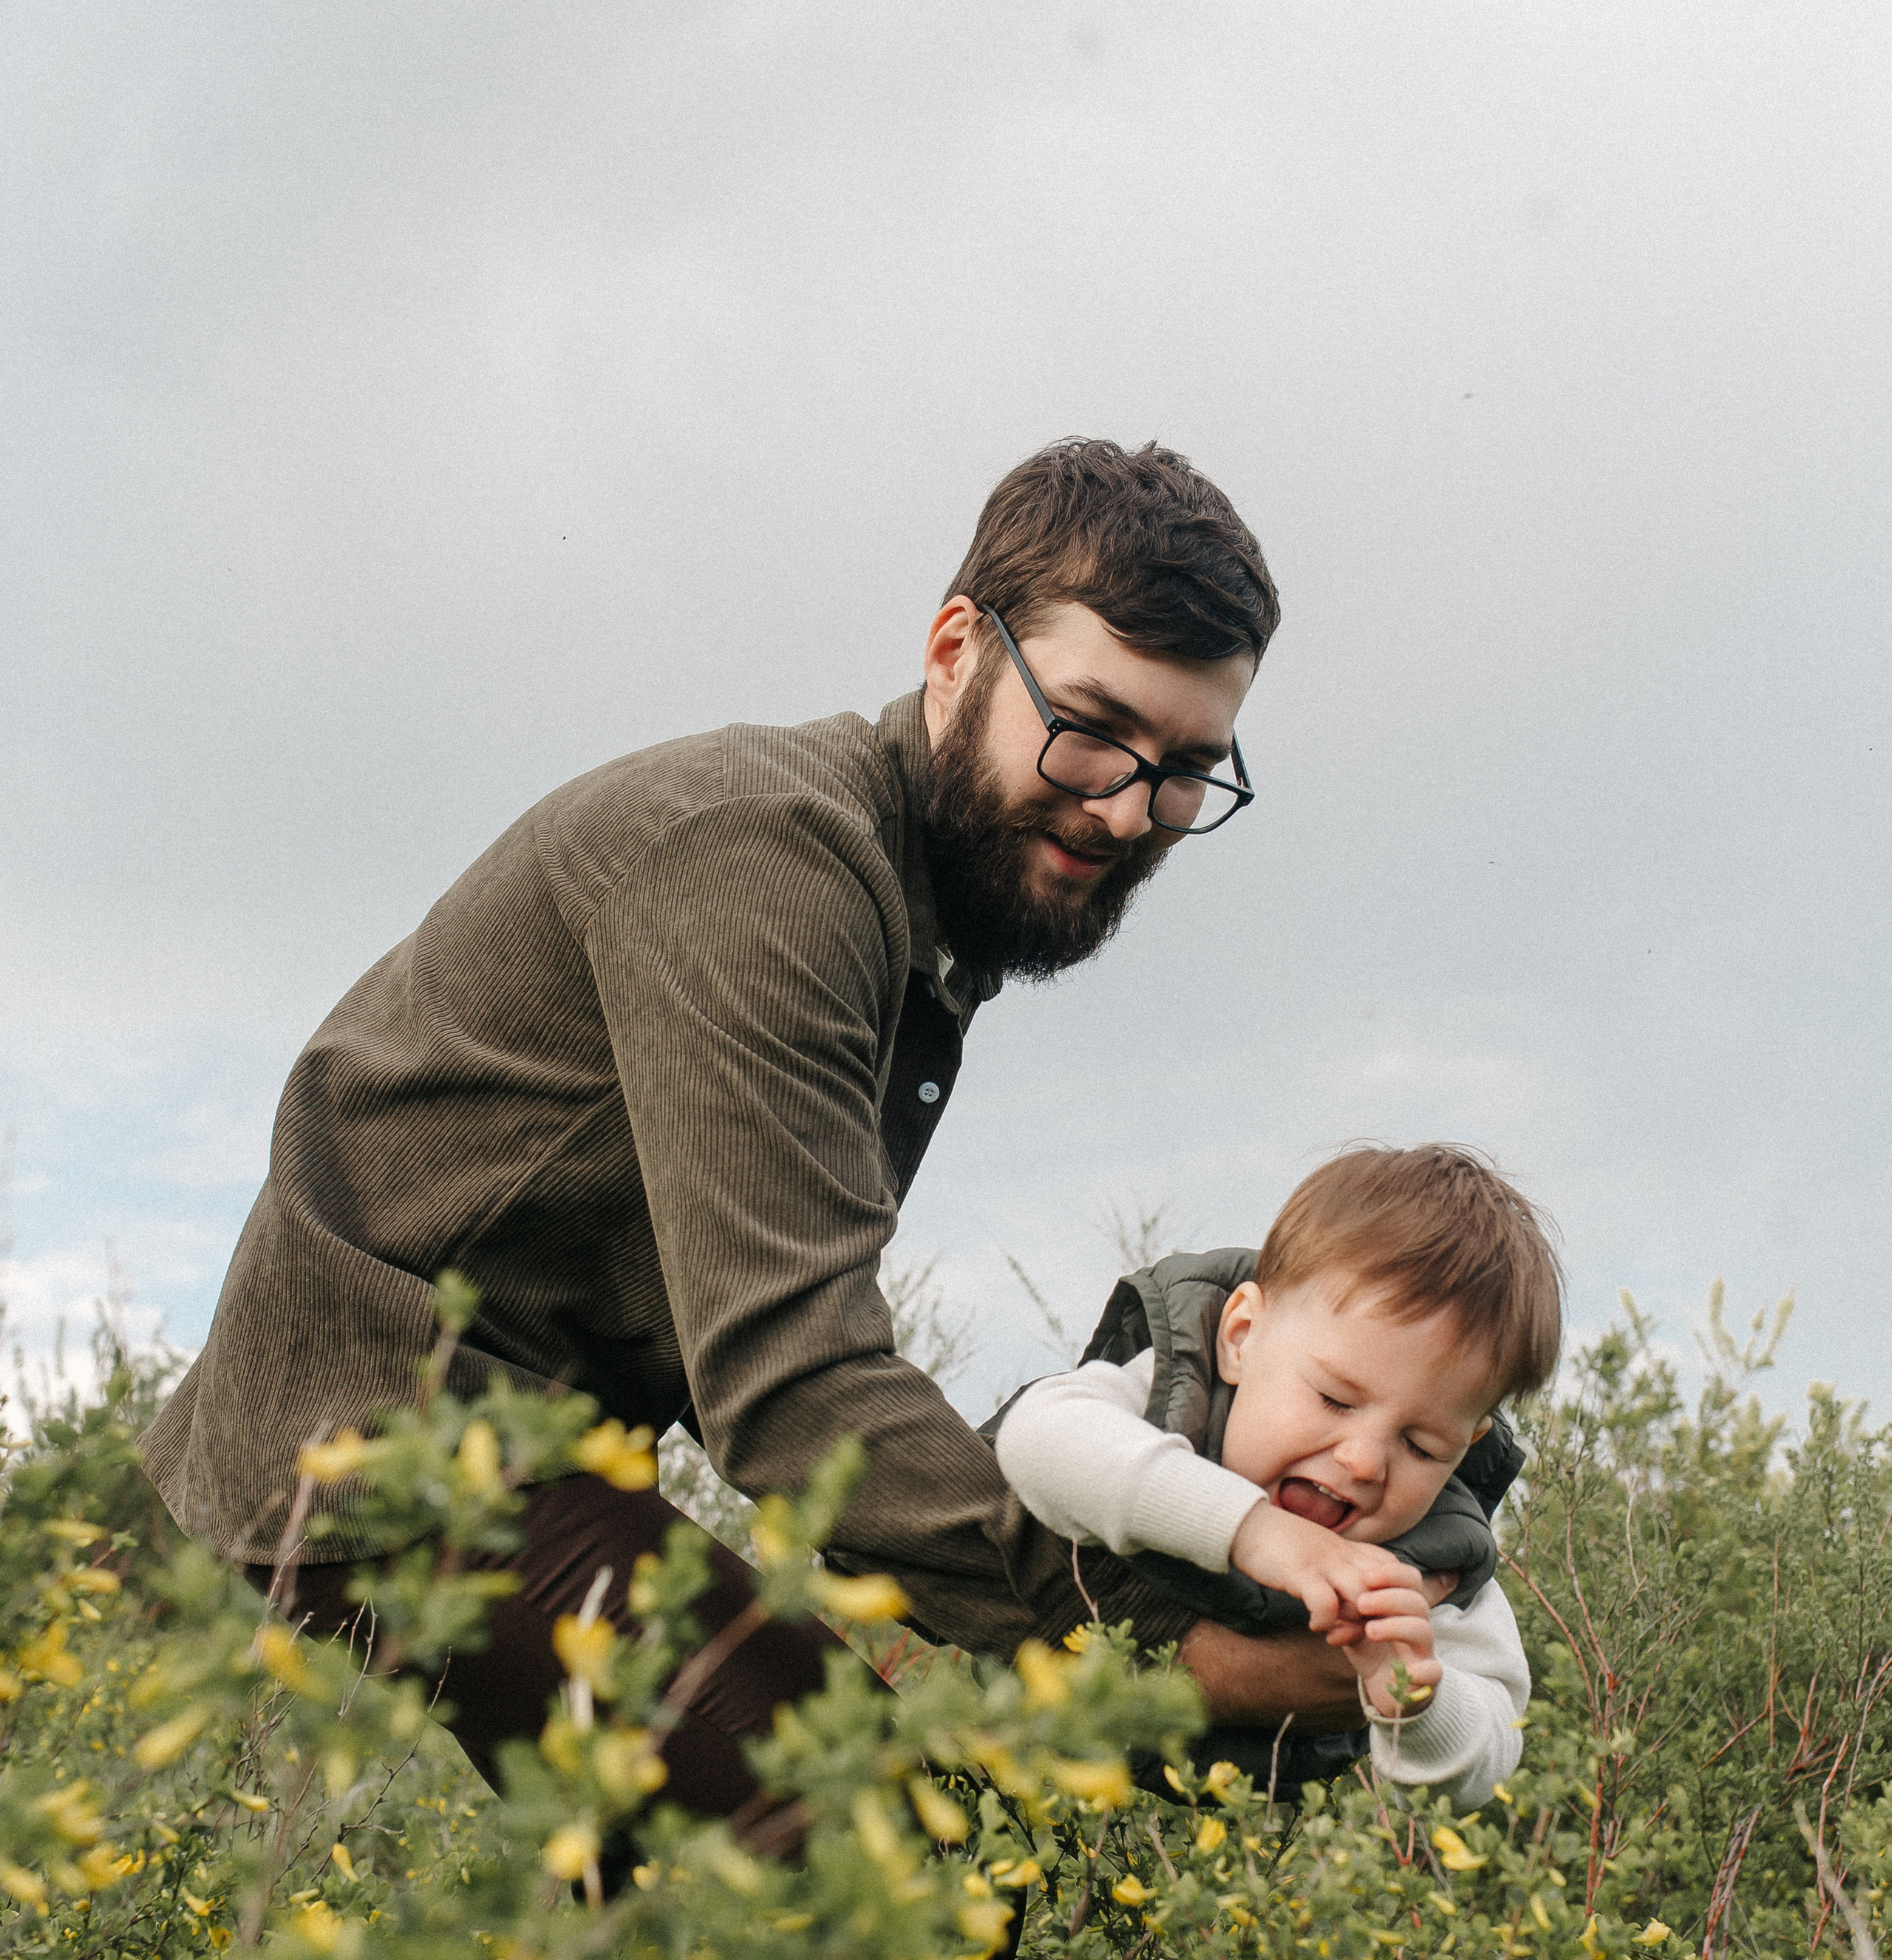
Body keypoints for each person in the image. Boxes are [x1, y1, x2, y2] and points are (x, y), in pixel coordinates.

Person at [141, 439, 1469, 1840]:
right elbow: (790, 1384)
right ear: (957, 647)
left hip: (522, 1449)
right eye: (1092, 727)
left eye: (1189, 770)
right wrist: (1153, 1649)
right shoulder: (768, 863)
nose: (1130, 807)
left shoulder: (920, 900)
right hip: (377, 1438)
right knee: (892, 1869)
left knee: (771, 1880)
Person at [992, 1146, 1563, 1810]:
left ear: (1467, 1447)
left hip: (1229, 1858)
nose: (1364, 1462)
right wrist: (1253, 1530)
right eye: (1335, 1401)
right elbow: (1038, 1437)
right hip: (1010, 1761)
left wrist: (1418, 1697)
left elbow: (1494, 1746)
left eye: (1420, 1445)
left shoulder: (1428, 1564)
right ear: (1241, 1337)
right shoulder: (1173, 1398)